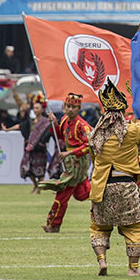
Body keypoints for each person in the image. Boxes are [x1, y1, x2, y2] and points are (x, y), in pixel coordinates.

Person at [89, 80, 140, 277]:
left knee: (99, 227)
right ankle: (133, 269)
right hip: (126, 185)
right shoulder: (131, 130)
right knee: (134, 227)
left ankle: (102, 261)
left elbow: (94, 158)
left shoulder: (96, 133)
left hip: (102, 186)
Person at [39, 93, 92, 232]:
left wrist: (70, 153)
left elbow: (89, 145)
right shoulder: (64, 120)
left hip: (77, 162)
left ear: (78, 108)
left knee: (62, 193)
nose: (70, 109)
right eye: (68, 106)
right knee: (82, 194)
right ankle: (103, 192)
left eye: (73, 107)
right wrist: (54, 123)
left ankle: (54, 225)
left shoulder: (83, 125)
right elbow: (60, 136)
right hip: (69, 160)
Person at [19, 93, 54, 193]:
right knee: (25, 168)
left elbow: (49, 132)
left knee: (39, 170)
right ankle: (35, 184)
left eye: (37, 108)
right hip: (30, 148)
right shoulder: (30, 121)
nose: (35, 110)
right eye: (34, 108)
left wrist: (44, 141)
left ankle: (39, 187)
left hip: (39, 148)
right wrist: (7, 129)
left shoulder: (46, 122)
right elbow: (21, 126)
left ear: (42, 109)